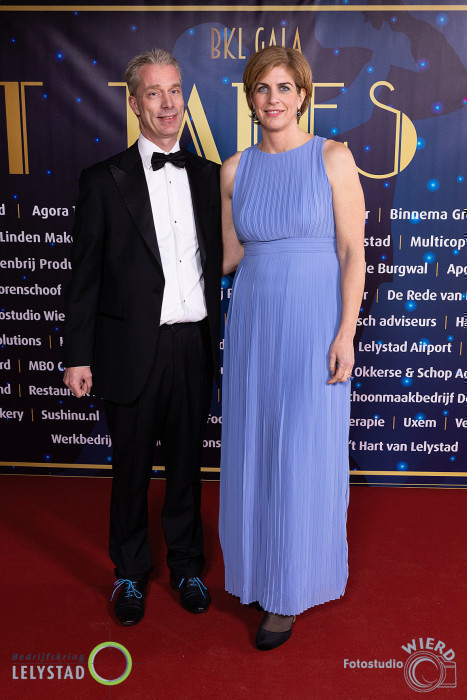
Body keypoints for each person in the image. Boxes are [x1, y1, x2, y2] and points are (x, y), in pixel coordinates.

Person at [63, 49, 221, 625]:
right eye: (154, 93)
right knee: (130, 471)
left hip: (193, 345)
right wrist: (77, 355)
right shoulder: (103, 180)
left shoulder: (209, 176)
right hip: (130, 348)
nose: (168, 103)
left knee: (186, 468)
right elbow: (85, 277)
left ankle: (186, 567)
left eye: (175, 90)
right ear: (134, 103)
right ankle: (129, 574)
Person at [219, 46, 365, 650]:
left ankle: (289, 590)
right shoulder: (234, 169)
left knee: (302, 449)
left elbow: (352, 252)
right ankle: (257, 571)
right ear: (250, 99)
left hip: (313, 321)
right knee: (255, 445)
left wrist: (345, 332)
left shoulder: (333, 156)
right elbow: (229, 258)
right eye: (262, 88)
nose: (273, 99)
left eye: (284, 87)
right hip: (253, 320)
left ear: (303, 95)